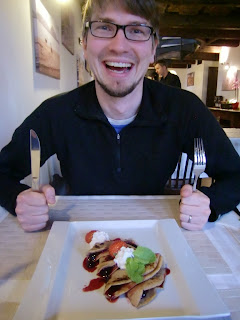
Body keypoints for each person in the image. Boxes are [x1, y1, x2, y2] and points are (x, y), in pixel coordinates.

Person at [0, 0, 240, 233]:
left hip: (157, 238)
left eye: (136, 30)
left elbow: (235, 176)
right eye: (104, 27)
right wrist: (18, 198)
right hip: (79, 240)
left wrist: (209, 203)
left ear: (153, 48)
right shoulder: (55, 113)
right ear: (84, 42)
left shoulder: (185, 109)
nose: (119, 46)